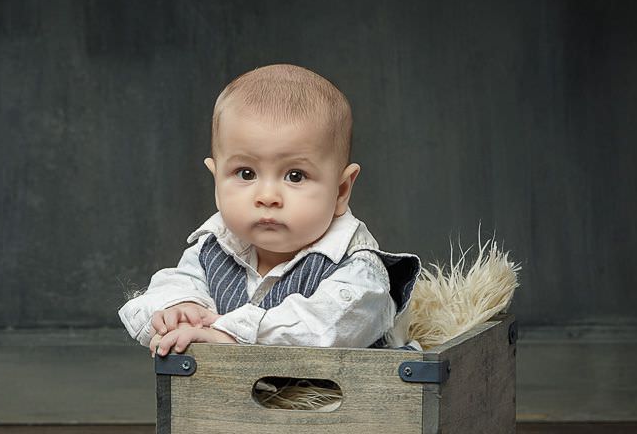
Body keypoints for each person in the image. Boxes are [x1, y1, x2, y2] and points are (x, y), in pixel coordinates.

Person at [118, 64, 421, 357]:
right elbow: (170, 285)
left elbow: (324, 329)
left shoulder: (357, 270)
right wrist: (181, 307)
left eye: (295, 176)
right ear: (216, 180)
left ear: (341, 190)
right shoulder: (214, 248)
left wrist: (229, 334)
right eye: (246, 173)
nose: (267, 196)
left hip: (345, 403)